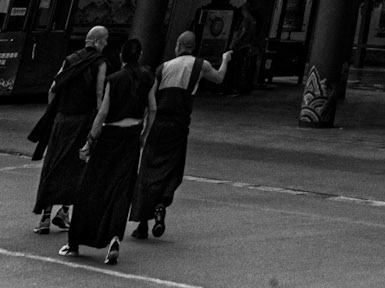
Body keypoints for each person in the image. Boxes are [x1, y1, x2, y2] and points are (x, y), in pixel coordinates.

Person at [129, 31, 233, 242]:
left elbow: (151, 102)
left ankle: (142, 223)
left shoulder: (163, 68)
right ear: (193, 47)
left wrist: (144, 130)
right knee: (172, 169)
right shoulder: (200, 65)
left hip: (159, 124)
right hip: (179, 125)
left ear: (178, 46)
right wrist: (225, 59)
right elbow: (220, 78)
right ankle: (161, 204)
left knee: (149, 169)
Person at [61, 36, 153, 267]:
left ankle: (75, 242)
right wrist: (144, 135)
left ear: (121, 56)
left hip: (109, 139)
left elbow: (102, 114)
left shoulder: (114, 79)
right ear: (140, 56)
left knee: (91, 188)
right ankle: (113, 237)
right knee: (120, 191)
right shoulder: (148, 78)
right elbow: (152, 108)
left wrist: (91, 140)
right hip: (131, 138)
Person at [30, 25, 109, 236]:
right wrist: (99, 123)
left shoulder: (70, 59)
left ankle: (46, 216)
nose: (106, 44)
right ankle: (64, 211)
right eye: (105, 40)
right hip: (82, 121)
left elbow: (52, 89)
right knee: (75, 167)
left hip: (61, 120)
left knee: (53, 164)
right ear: (98, 41)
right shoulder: (100, 63)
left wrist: (54, 114)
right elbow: (99, 95)